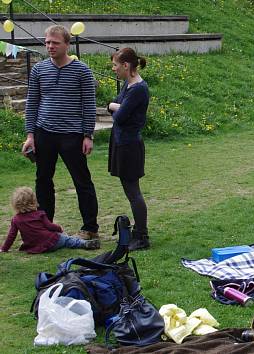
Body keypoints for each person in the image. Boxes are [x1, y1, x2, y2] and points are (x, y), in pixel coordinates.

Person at [21, 25, 99, 240]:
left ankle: (90, 227)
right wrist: (30, 135)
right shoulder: (39, 69)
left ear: (67, 44)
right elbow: (33, 103)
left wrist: (87, 135)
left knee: (82, 181)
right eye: (47, 42)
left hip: (72, 135)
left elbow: (89, 105)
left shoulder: (82, 70)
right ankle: (46, 226)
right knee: (43, 180)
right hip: (44, 132)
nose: (50, 46)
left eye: (55, 42)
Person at [107, 47, 150, 251]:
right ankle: (138, 233)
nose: (113, 69)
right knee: (130, 191)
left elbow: (119, 115)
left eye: (115, 65)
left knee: (133, 192)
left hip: (130, 146)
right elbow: (116, 105)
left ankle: (141, 236)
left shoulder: (139, 89)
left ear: (126, 66)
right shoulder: (128, 84)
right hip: (121, 143)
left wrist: (116, 107)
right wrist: (117, 106)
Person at [0, 187, 100, 253]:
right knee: (67, 240)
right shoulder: (40, 214)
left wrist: (4, 248)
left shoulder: (16, 220)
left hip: (34, 245)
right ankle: (83, 243)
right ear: (34, 201)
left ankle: (79, 242)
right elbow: (50, 226)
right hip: (51, 242)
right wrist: (59, 228)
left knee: (62, 238)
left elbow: (11, 236)